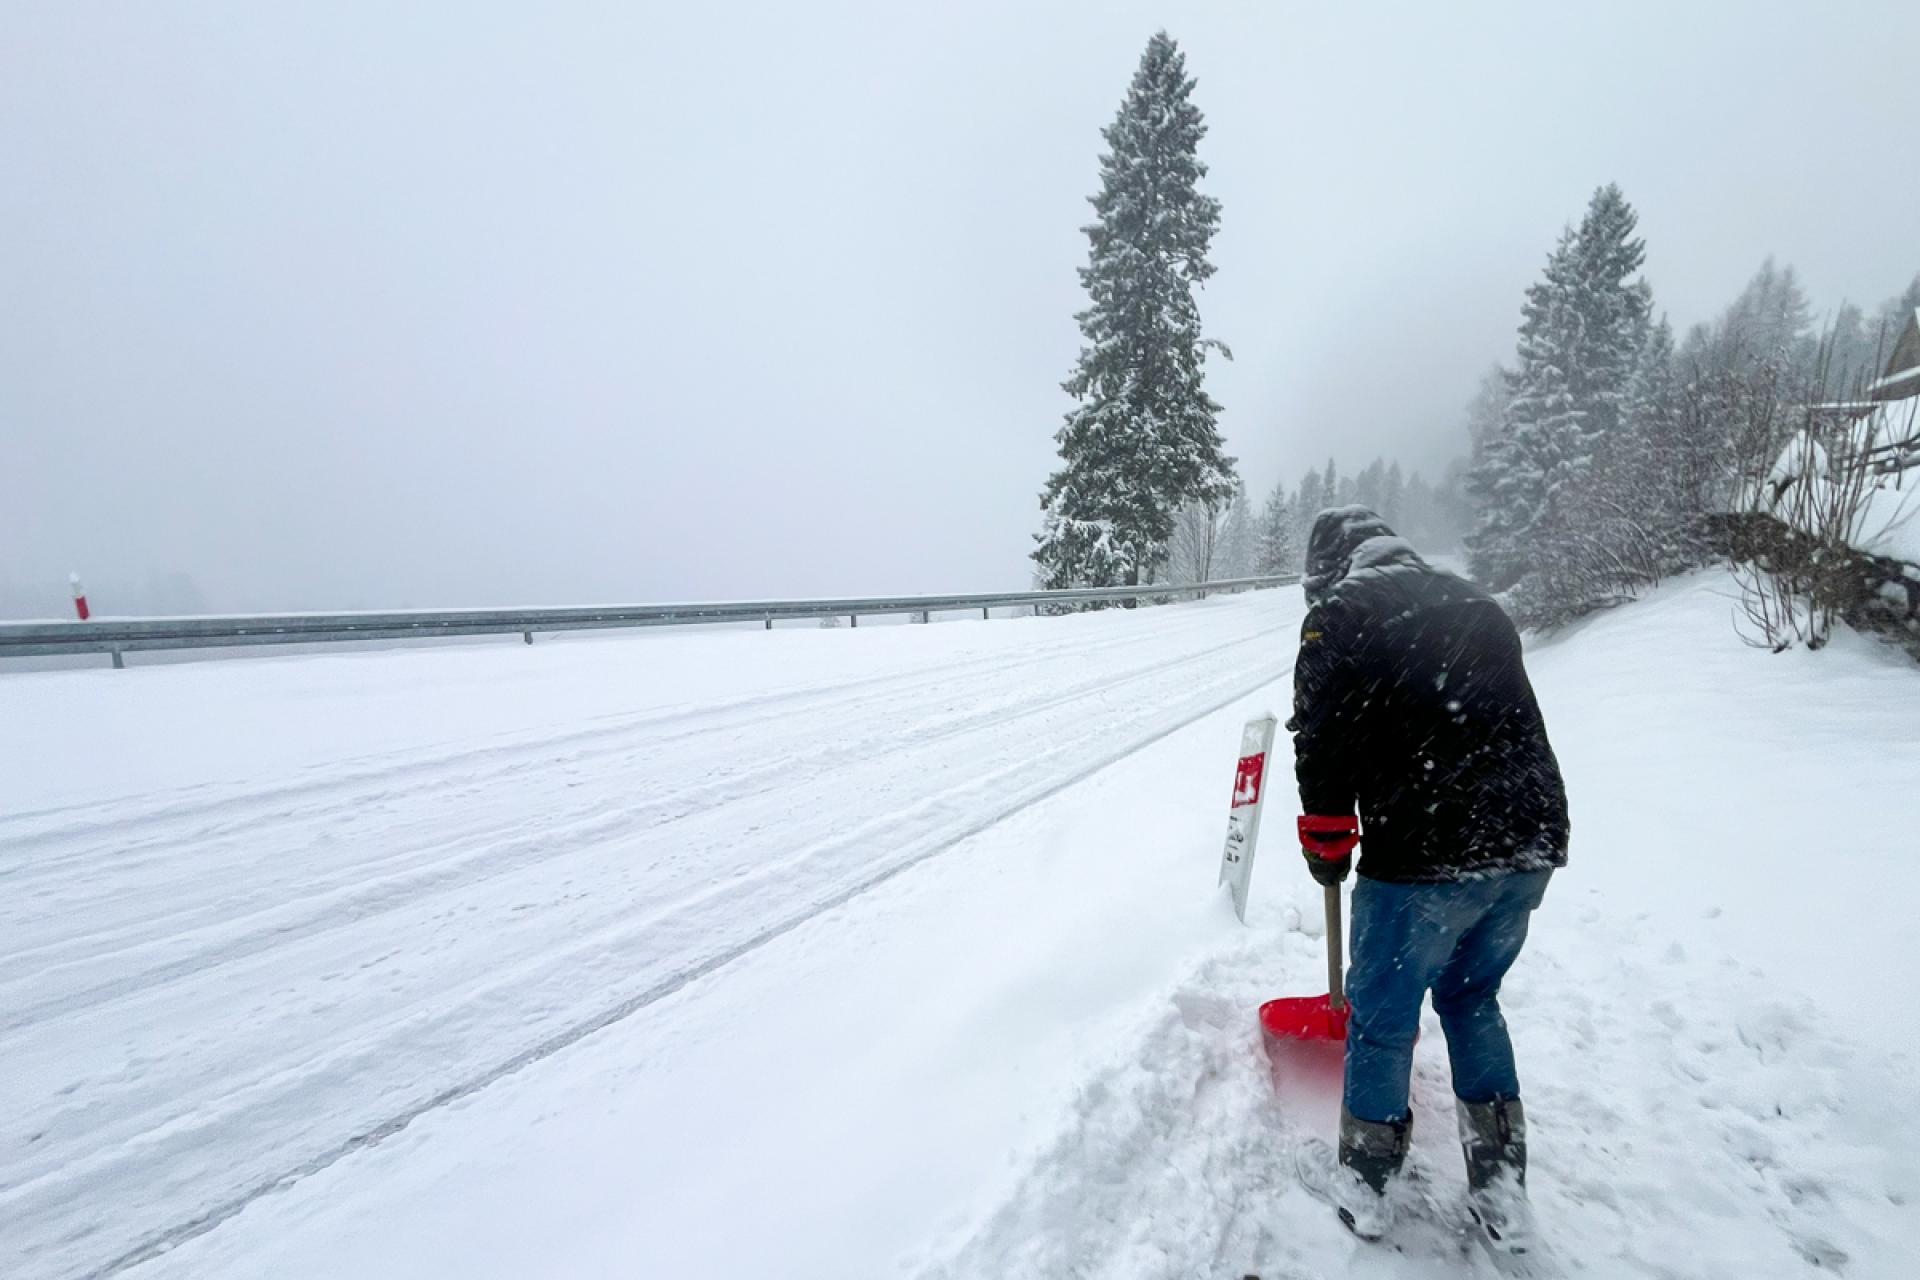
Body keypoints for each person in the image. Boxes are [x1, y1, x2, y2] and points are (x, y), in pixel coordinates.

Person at [1288, 506, 1569, 1249]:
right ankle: (1502, 1192)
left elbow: (1322, 746)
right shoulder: (1476, 602)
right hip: (1529, 840)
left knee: (1383, 1020)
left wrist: (1327, 842)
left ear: (1328, 570)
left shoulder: (1339, 617)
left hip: (1425, 851)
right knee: (1474, 999)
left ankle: (1366, 1185)